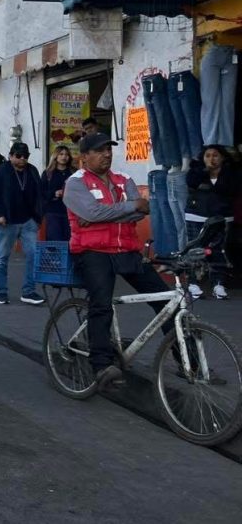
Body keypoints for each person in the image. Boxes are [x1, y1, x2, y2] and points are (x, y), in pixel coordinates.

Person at [64, 133, 172, 389]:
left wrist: (103, 217)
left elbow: (140, 213)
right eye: (100, 150)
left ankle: (187, 360)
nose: (107, 154)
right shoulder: (75, 183)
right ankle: (101, 366)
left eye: (109, 150)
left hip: (127, 250)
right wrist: (128, 207)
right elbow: (92, 211)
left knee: (165, 300)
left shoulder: (124, 180)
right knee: (101, 305)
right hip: (93, 253)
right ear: (85, 157)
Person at [0, 142, 45, 306]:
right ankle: (1, 292)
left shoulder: (32, 171)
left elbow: (39, 194)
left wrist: (37, 218)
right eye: (18, 156)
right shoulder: (1, 172)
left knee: (33, 255)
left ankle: (28, 291)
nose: (22, 159)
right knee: (1, 258)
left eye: (25, 156)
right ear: (11, 156)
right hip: (6, 222)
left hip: (28, 221)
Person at [185, 144, 236, 300]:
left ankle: (218, 284)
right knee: (195, 249)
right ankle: (193, 283)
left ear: (222, 158)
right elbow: (191, 182)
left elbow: (231, 190)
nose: (211, 159)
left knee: (218, 249)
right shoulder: (196, 171)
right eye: (208, 156)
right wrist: (204, 171)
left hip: (221, 217)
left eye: (215, 156)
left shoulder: (230, 174)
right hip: (197, 215)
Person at [42, 145, 77, 242]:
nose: (64, 157)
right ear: (56, 156)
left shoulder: (74, 172)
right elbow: (41, 192)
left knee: (70, 240)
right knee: (55, 240)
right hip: (53, 212)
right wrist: (55, 193)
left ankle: (69, 258)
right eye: (61, 154)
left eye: (66, 154)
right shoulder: (48, 173)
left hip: (71, 211)